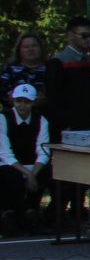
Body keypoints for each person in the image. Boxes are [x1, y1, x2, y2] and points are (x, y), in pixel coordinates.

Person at [1, 83, 51, 228]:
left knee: (48, 173)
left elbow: (43, 151)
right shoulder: (3, 118)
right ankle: (15, 212)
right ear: (13, 101)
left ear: (33, 102)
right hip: (8, 164)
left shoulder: (41, 120)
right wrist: (28, 175)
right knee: (11, 176)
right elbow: (5, 153)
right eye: (19, 101)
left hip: (31, 163)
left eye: (27, 102)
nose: (22, 106)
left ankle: (36, 211)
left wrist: (33, 173)